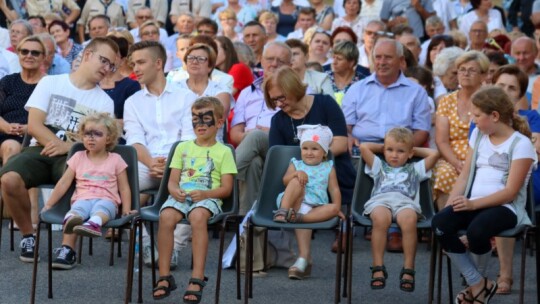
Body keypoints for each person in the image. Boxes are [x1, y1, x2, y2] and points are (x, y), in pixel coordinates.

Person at [0, 37, 117, 263]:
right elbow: (34, 125)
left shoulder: (104, 102)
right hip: (40, 151)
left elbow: (101, 143)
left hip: (80, 156)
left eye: (111, 65)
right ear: (88, 55)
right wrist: (56, 143)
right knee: (9, 179)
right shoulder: (51, 83)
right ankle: (28, 235)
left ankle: (67, 247)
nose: (106, 68)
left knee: (80, 176)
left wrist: (68, 146)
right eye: (103, 60)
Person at [432, 85, 536, 304]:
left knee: (477, 230)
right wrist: (452, 206)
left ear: (495, 116)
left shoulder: (521, 144)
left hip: (505, 208)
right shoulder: (478, 134)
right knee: (440, 223)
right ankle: (478, 284)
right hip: (473, 203)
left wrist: (472, 204)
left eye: (477, 115)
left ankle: (476, 289)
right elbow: (465, 175)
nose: (472, 119)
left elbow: (510, 192)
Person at [153, 96, 237, 302]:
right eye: (195, 119)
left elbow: (226, 189)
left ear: (219, 122)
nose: (200, 124)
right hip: (182, 195)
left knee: (198, 216)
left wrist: (206, 194)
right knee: (166, 216)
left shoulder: (224, 152)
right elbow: (171, 182)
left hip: (208, 197)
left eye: (206, 119)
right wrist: (174, 191)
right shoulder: (182, 148)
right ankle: (164, 276)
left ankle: (197, 277)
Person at [266, 66, 357, 252]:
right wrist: (305, 166)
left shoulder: (325, 104)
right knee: (297, 179)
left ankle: (343, 227)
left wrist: (315, 158)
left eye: (281, 97)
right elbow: (279, 157)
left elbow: (340, 143)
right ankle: (302, 250)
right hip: (300, 181)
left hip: (333, 171)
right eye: (274, 100)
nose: (278, 104)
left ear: (293, 88)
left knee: (333, 172)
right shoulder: (278, 120)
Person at [124, 40, 194, 269]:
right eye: (133, 63)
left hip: (182, 164)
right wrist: (152, 162)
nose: (136, 68)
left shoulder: (186, 97)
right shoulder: (132, 102)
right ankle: (143, 242)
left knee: (199, 185)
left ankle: (173, 247)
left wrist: (172, 166)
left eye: (141, 62)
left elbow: (189, 140)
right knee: (117, 184)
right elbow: (134, 140)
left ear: (158, 63)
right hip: (148, 163)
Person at [471, 65, 540, 295]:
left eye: (512, 88)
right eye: (501, 85)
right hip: (486, 179)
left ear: (520, 95)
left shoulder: (531, 117)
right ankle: (476, 276)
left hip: (523, 181)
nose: (506, 91)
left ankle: (505, 273)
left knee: (503, 198)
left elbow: (535, 148)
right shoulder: (480, 117)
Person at [42, 113, 131, 269]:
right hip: (83, 198)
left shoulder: (116, 159)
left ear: (108, 138)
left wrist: (127, 210)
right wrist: (49, 204)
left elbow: (124, 187)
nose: (91, 138)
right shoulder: (78, 157)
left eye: (97, 134)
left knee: (102, 209)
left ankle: (93, 224)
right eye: (87, 134)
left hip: (107, 199)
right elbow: (63, 183)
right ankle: (70, 224)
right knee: (77, 210)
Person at [359, 127, 439, 290]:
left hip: (405, 204)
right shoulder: (378, 166)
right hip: (381, 201)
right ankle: (378, 267)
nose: (394, 155)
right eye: (390, 150)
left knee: (409, 219)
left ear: (410, 153)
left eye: (400, 151)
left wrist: (411, 149)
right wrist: (384, 147)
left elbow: (435, 154)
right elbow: (364, 147)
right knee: (380, 219)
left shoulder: (415, 169)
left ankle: (408, 268)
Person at [273, 124, 344, 279]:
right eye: (305, 148)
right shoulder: (296, 164)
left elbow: (334, 190)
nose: (309, 153)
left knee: (332, 209)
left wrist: (337, 206)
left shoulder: (328, 167)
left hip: (314, 207)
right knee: (296, 182)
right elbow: (285, 180)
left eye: (314, 149)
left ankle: (300, 219)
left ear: (324, 153)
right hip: (293, 202)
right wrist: (296, 174)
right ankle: (283, 212)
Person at [433, 51, 489, 210]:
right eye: (462, 69)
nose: (465, 73)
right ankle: (445, 226)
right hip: (452, 158)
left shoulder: (490, 101)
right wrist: (457, 163)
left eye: (472, 70)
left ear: (483, 75)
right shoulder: (447, 101)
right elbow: (441, 141)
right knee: (444, 174)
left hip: (482, 157)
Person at [0, 35, 46, 165]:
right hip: (5, 135)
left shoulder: (49, 84)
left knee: (12, 147)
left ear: (43, 57)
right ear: (18, 54)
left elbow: (54, 117)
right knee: (10, 146)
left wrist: (29, 128)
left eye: (35, 53)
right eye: (24, 51)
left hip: (35, 139)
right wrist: (7, 127)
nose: (29, 55)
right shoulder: (8, 81)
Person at [215, 36, 253, 100]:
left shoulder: (239, 68)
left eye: (216, 49)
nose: (212, 54)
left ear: (226, 50)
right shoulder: (214, 73)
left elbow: (222, 99)